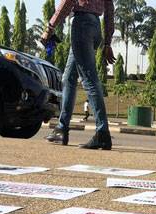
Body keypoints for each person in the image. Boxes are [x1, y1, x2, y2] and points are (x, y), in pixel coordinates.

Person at [42, 0, 115, 150]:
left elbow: (67, 2)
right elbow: (109, 10)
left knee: (89, 79)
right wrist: (107, 42)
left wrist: (50, 27)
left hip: (81, 25)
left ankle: (102, 133)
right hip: (95, 26)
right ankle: (61, 129)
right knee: (68, 78)